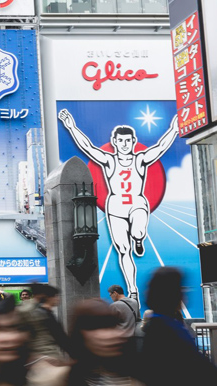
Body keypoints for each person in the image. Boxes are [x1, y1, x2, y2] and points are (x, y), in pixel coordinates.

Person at [59, 110, 178, 303]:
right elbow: (88, 147)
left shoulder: (140, 159)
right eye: (121, 141)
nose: (124, 144)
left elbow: (160, 147)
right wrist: (71, 126)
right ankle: (133, 290)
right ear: (114, 141)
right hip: (115, 207)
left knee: (138, 231)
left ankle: (139, 238)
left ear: (133, 141)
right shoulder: (109, 160)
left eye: (128, 141)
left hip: (137, 203)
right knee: (123, 250)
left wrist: (174, 129)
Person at [141, 267, 217, 386]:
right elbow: (194, 365)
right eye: (181, 289)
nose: (185, 295)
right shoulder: (166, 328)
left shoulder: (162, 324)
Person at [61, 299, 161, 386]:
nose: (108, 335)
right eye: (96, 327)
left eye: (111, 326)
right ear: (80, 334)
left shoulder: (136, 382)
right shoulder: (61, 384)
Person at [22, 283, 70, 359]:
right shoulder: (43, 314)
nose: (58, 298)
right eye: (55, 296)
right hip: (47, 355)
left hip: (41, 356)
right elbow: (61, 338)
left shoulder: (41, 312)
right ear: (48, 298)